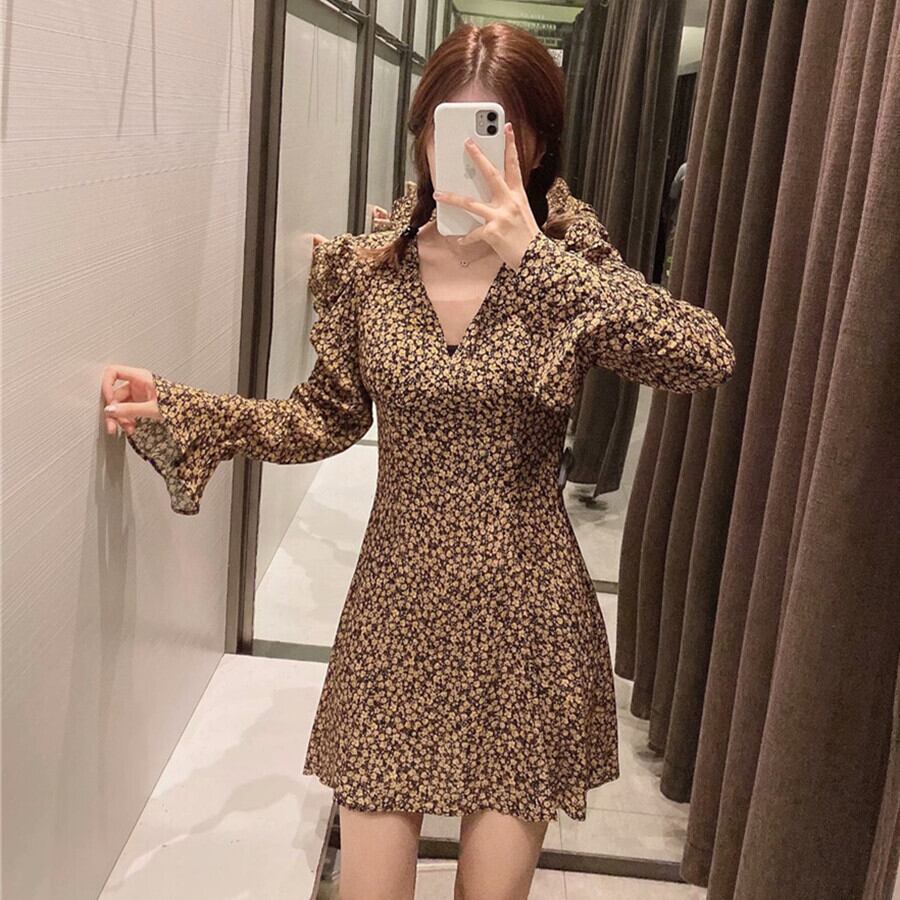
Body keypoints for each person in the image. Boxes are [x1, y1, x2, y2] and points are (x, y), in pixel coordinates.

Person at [100, 22, 736, 900]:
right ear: (422, 135)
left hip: (525, 618)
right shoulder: (370, 270)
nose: (465, 153)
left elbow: (704, 356)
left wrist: (531, 256)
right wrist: (186, 409)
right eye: (448, 126)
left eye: (495, 129)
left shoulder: (568, 267)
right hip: (394, 612)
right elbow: (322, 418)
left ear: (535, 145)